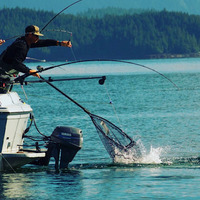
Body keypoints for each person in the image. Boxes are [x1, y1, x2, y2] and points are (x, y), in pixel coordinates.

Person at [0, 25, 72, 93]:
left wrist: (59, 43)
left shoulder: (23, 41)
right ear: (30, 35)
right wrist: (29, 71)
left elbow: (42, 43)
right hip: (3, 73)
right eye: (36, 36)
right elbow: (16, 63)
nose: (38, 38)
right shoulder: (22, 46)